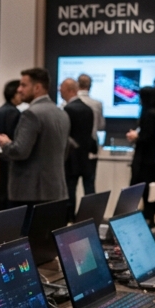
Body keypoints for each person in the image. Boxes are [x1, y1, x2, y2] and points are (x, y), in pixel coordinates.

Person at [0, 67, 69, 206]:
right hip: (56, 191)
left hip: (29, 192)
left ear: (37, 88)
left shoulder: (31, 114)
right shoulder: (61, 113)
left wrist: (5, 143)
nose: (19, 90)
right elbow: (64, 152)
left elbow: (20, 151)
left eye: (23, 85)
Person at [60, 78, 96, 214]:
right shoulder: (88, 109)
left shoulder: (67, 109)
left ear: (70, 90)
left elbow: (65, 134)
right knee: (89, 187)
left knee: (70, 189)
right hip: (86, 155)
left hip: (71, 156)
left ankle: (70, 217)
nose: (60, 91)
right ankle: (91, 215)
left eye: (62, 89)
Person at [128, 86, 155, 223]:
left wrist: (136, 136)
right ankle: (149, 216)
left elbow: (147, 136)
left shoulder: (149, 114)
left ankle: (145, 216)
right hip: (152, 158)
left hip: (145, 159)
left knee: (138, 188)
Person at [0, 80, 23, 210]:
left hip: (1, 156)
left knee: (2, 190)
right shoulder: (14, 113)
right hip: (11, 157)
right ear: (13, 94)